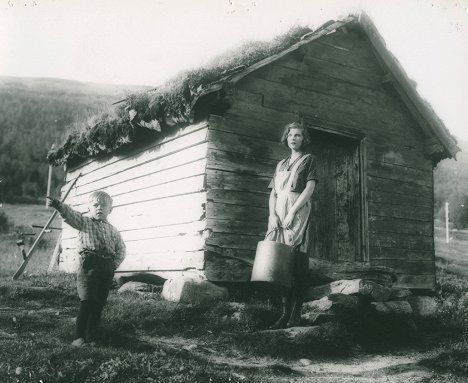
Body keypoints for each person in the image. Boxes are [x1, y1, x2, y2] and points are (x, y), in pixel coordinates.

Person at [47, 191, 126, 347]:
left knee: (99, 302)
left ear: (110, 209)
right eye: (95, 205)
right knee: (88, 300)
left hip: (107, 267)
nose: (99, 208)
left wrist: (113, 264)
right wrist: (59, 206)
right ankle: (79, 337)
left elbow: (121, 249)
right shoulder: (84, 222)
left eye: (104, 205)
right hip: (89, 264)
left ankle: (92, 336)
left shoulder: (113, 230)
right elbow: (70, 215)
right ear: (89, 208)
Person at [266, 121, 317, 329]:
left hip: (297, 214)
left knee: (296, 262)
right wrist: (272, 215)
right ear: (286, 138)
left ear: (303, 139)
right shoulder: (280, 165)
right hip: (278, 214)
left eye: (298, 135)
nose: (293, 138)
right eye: (290, 135)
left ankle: (296, 313)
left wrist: (293, 212)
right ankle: (284, 313)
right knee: (278, 263)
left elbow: (309, 189)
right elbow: (274, 193)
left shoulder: (308, 160)